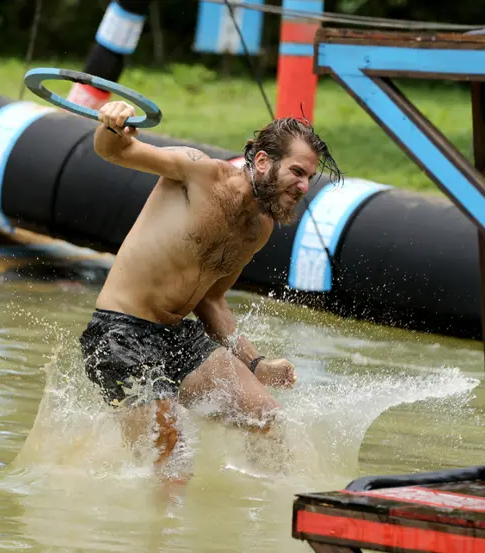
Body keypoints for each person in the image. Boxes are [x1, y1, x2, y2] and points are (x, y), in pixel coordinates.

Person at [79, 100, 342, 477]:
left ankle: (267, 521)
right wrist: (112, 122)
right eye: (297, 172)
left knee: (267, 419)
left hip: (177, 336)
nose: (303, 186)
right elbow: (114, 150)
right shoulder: (198, 171)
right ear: (264, 162)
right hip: (119, 332)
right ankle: (154, 534)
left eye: (308, 178)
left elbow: (211, 300)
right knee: (172, 453)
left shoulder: (259, 228)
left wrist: (256, 363)